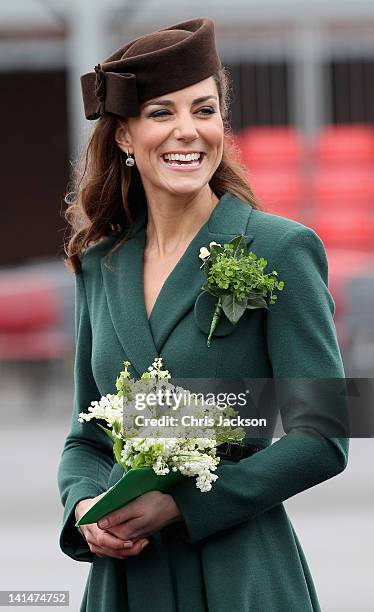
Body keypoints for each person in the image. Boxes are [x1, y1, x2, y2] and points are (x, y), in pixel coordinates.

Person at [57, 17, 349, 612]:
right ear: (123, 137)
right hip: (128, 581)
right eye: (162, 113)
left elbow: (323, 434)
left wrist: (182, 505)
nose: (187, 131)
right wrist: (86, 507)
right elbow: (88, 437)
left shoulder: (280, 248)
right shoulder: (99, 264)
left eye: (205, 110)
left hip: (241, 571)